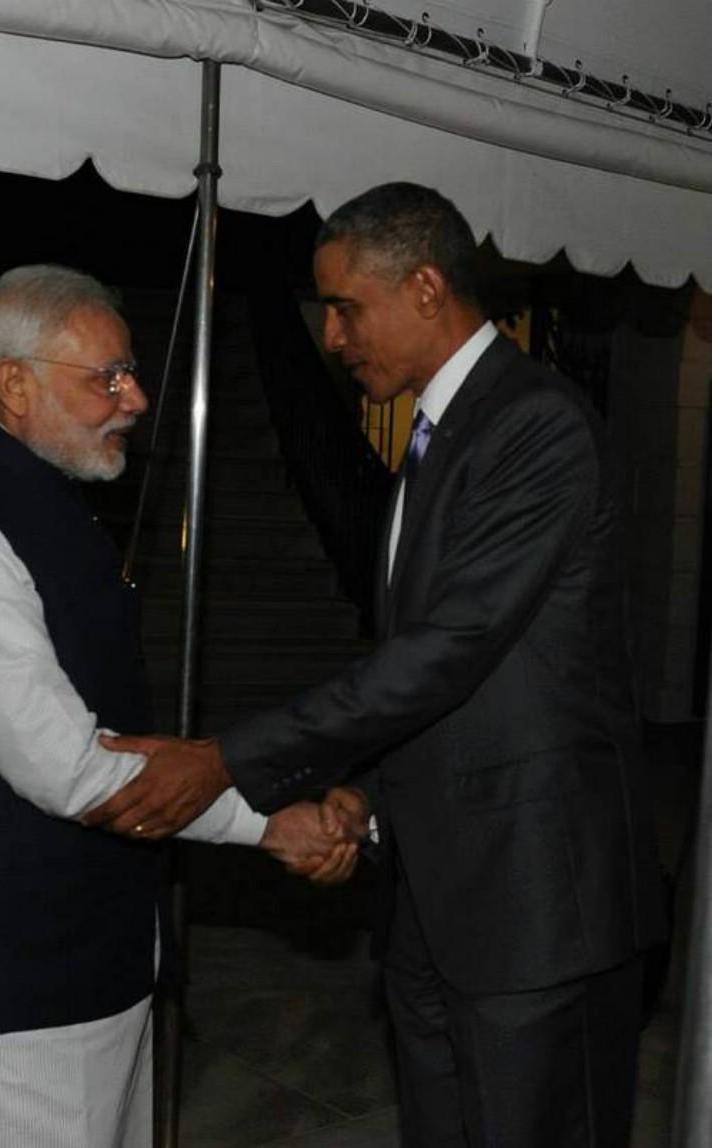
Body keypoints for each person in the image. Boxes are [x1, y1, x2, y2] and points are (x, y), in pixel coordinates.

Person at [87, 185, 668, 1146]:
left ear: (428, 287)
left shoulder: (533, 424)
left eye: (347, 306)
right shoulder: (437, 438)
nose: (331, 335)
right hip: (436, 897)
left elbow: (449, 652)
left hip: (534, 905)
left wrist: (226, 759)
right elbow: (437, 672)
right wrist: (367, 795)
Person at [0, 265, 358, 1148]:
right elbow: (72, 770)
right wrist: (266, 824)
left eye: (131, 372)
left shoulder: (40, 497)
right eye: (105, 377)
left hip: (74, 962)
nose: (136, 397)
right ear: (15, 382)